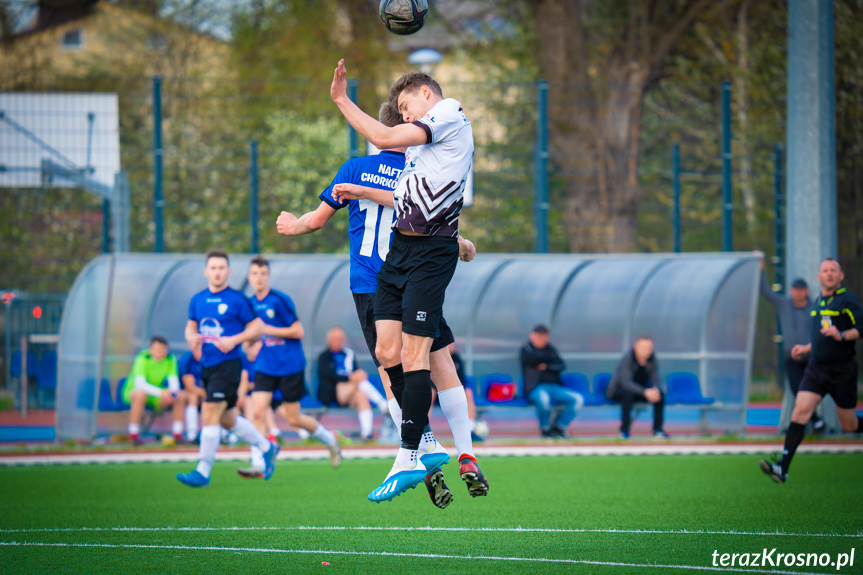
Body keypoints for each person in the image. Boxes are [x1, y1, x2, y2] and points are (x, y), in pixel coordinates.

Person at [277, 93, 487, 507]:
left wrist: (293, 224)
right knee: (439, 364)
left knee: (394, 374)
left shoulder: (357, 169)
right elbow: (424, 217)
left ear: (378, 133)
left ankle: (422, 455)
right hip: (421, 274)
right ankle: (466, 451)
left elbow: (316, 221)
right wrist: (459, 241)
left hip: (374, 282)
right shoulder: (417, 165)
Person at [176, 248, 279, 487]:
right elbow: (190, 327)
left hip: (229, 365)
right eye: (213, 268)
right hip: (207, 366)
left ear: (229, 271)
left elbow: (257, 328)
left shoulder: (237, 299)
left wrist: (234, 340)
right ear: (206, 271)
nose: (217, 272)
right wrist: (191, 337)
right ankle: (267, 447)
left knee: (209, 411)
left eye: (222, 268)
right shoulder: (198, 300)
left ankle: (202, 470)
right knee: (227, 419)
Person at [760, 258, 863, 483]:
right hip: (816, 368)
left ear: (840, 275)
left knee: (849, 425)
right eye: (825, 270)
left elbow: (860, 328)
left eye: (833, 270)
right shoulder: (819, 302)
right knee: (799, 412)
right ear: (818, 277)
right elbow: (820, 338)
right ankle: (782, 468)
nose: (829, 274)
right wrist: (806, 348)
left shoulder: (846, 301)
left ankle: (783, 466)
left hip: (842, 371)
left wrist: (842, 335)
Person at [245, 256, 342, 473]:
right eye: (254, 274)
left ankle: (329, 439)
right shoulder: (249, 304)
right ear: (249, 277)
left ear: (268, 276)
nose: (258, 278)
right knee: (258, 411)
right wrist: (249, 344)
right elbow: (252, 335)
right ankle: (258, 462)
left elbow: (298, 331)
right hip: (265, 365)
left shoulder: (279, 300)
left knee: (293, 418)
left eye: (262, 273)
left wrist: (266, 330)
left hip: (289, 365)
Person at [759, 261, 823, 430]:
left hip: (811, 357)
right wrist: (761, 270)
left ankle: (811, 422)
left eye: (802, 290)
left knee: (814, 389)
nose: (798, 293)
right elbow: (765, 292)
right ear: (791, 291)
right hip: (792, 357)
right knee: (797, 388)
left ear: (807, 291)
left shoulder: (815, 307)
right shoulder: (784, 305)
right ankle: (815, 420)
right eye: (796, 290)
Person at [318, 326, 388, 441]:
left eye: (340, 338)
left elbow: (356, 371)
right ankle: (383, 404)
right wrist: (351, 377)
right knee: (359, 380)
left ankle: (367, 434)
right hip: (334, 393)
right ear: (329, 339)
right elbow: (330, 376)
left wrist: (355, 376)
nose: (338, 341)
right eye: (335, 338)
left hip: (351, 391)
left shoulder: (348, 354)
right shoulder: (324, 357)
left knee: (361, 397)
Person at [520, 325, 584, 438]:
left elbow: (561, 365)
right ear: (532, 336)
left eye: (544, 336)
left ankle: (559, 427)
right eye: (539, 336)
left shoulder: (551, 349)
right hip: (535, 387)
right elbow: (532, 359)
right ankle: (546, 428)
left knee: (577, 399)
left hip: (554, 387)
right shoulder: (526, 349)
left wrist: (546, 365)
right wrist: (549, 362)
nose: (542, 339)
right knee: (544, 400)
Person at [124, 335, 186, 444]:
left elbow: (174, 383)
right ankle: (133, 436)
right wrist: (162, 393)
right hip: (133, 393)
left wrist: (170, 393)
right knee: (140, 394)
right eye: (157, 350)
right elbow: (140, 384)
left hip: (157, 396)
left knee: (180, 395)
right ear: (150, 349)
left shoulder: (170, 359)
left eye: (163, 350)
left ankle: (177, 435)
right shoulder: (142, 358)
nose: (160, 353)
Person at [606, 335, 667, 440]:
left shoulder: (652, 360)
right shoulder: (627, 359)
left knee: (659, 395)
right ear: (636, 347)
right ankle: (624, 431)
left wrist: (655, 390)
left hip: (640, 392)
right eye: (643, 348)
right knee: (627, 394)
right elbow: (625, 382)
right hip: (619, 391)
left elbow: (655, 378)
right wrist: (645, 392)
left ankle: (658, 431)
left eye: (649, 348)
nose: (646, 351)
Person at [177, 349, 205, 442]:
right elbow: (190, 387)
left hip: (204, 394)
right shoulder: (187, 360)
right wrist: (208, 394)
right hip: (185, 395)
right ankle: (192, 434)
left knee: (218, 398)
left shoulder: (210, 358)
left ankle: (221, 434)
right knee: (193, 396)